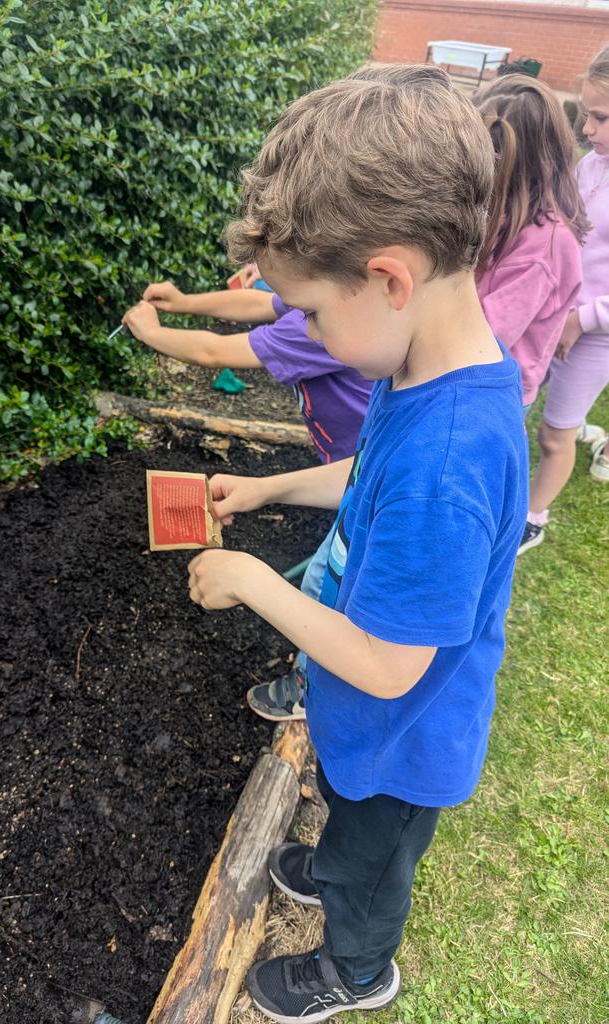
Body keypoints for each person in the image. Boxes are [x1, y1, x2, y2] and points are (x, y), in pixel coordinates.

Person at [185, 65, 528, 1022]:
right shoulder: (419, 366)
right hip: (364, 730)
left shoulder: (451, 456)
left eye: (310, 310)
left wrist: (253, 578)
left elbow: (384, 665)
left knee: (374, 860)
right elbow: (362, 475)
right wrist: (270, 487)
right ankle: (332, 863)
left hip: (403, 740)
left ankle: (355, 967)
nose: (306, 331)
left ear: (387, 277)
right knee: (349, 814)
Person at [122, 282, 373, 722]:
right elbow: (260, 303)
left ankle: (311, 686)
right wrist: (184, 303)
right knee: (322, 578)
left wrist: (151, 334)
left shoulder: (326, 327)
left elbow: (216, 353)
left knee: (328, 588)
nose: (302, 325)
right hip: (351, 472)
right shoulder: (325, 300)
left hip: (361, 480)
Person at [521, 46, 609, 552]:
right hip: (556, 315)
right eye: (585, 114)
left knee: (555, 435)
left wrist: (584, 318)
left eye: (599, 117)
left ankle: (533, 516)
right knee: (530, 405)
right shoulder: (591, 164)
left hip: (592, 336)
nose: (588, 129)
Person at [474, 76, 586, 417]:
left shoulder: (544, 249)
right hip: (469, 376)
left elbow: (485, 341)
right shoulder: (504, 212)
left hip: (491, 393)